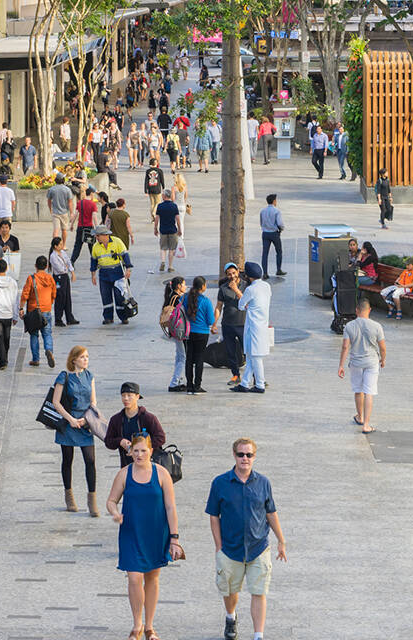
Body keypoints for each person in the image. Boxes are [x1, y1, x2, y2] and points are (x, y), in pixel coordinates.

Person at [206, 438, 288, 640]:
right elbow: (214, 516)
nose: (245, 458)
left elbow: (271, 513)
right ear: (234, 455)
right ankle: (231, 616)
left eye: (249, 455)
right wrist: (219, 546)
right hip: (230, 548)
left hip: (258, 547)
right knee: (230, 591)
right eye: (241, 454)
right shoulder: (220, 483)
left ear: (254, 457)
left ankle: (258, 634)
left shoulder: (263, 483)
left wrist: (281, 540)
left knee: (259, 591)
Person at [106, 431, 180, 640]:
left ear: (151, 451)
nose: (139, 455)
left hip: (156, 532)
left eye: (143, 451)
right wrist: (115, 513)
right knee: (134, 577)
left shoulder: (162, 473)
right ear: (130, 452)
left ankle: (149, 626)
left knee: (152, 577)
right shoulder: (124, 474)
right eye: (135, 451)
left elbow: (171, 507)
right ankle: (137, 625)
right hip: (131, 532)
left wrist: (174, 537)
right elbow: (111, 500)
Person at [51, 345, 99, 515]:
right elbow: (56, 402)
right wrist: (70, 419)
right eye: (82, 357)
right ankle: (69, 496)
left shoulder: (90, 376)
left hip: (85, 422)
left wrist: (86, 419)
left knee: (90, 460)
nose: (85, 359)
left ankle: (92, 500)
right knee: (67, 459)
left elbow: (93, 402)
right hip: (68, 423)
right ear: (74, 360)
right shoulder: (64, 376)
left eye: (87, 356)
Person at [337, 299, 387, 434]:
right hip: (372, 362)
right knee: (369, 392)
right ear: (369, 310)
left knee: (358, 390)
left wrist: (341, 365)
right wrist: (383, 360)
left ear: (356, 311)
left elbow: (345, 346)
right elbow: (382, 347)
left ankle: (360, 416)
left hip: (356, 363)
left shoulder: (349, 326)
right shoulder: (377, 326)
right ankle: (366, 425)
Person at [104, 383, 166, 467]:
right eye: (123, 395)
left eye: (129, 395)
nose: (126, 399)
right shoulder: (116, 419)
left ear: (137, 396)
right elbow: (108, 441)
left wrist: (142, 446)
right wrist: (120, 441)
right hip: (126, 466)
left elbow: (161, 438)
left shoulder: (148, 418)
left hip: (148, 465)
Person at [237, 262, 272, 393]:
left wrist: (247, 305)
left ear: (248, 276)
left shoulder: (250, 289)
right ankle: (245, 383)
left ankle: (260, 385)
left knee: (256, 357)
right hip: (263, 325)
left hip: (253, 327)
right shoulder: (267, 286)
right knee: (252, 356)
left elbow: (241, 305)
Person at [90, 225, 134, 325]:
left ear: (105, 235)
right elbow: (93, 261)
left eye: (98, 236)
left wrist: (128, 269)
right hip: (104, 275)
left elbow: (125, 256)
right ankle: (108, 317)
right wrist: (93, 275)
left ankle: (123, 316)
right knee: (106, 297)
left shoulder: (117, 242)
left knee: (119, 296)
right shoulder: (95, 247)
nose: (96, 238)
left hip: (118, 273)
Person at [213, 263, 247, 386]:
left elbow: (246, 302)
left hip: (242, 323)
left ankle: (255, 375)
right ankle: (235, 375)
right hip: (227, 324)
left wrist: (236, 289)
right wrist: (214, 323)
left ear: (238, 272)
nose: (232, 276)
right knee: (231, 351)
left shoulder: (245, 285)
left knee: (247, 351)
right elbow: (219, 306)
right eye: (229, 274)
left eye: (233, 273)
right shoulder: (223, 288)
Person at [21, 256, 58, 368]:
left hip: (34, 311)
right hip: (46, 310)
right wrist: (49, 303)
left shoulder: (31, 279)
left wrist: (21, 308)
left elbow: (24, 295)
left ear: (35, 266)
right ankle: (49, 350)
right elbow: (54, 294)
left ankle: (36, 359)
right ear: (46, 266)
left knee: (34, 335)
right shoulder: (50, 278)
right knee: (47, 334)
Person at [161, 276, 189, 392]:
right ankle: (174, 382)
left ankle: (178, 380)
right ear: (178, 286)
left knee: (179, 355)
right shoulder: (178, 298)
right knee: (182, 357)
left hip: (174, 330)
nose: (185, 286)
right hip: (179, 331)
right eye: (184, 284)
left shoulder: (171, 296)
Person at [49, 235, 78, 327]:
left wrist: (72, 272)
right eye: (60, 244)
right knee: (60, 298)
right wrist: (67, 268)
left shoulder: (62, 253)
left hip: (65, 277)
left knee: (67, 297)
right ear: (55, 246)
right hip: (59, 278)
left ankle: (69, 317)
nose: (62, 246)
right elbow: (60, 269)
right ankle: (58, 319)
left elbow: (68, 262)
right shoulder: (53, 256)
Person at [153, 189, 182, 273]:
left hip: (163, 230)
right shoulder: (174, 206)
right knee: (172, 249)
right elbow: (177, 219)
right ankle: (170, 266)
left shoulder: (160, 206)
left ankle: (162, 261)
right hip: (172, 230)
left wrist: (155, 228)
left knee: (163, 248)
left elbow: (157, 219)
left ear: (164, 196)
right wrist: (180, 229)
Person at [258, 194, 286, 278]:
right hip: (274, 233)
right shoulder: (276, 211)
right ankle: (278, 269)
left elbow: (261, 222)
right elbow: (280, 223)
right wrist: (281, 228)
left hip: (265, 233)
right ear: (274, 201)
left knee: (265, 253)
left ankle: (265, 273)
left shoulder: (263, 211)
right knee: (279, 251)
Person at [70, 185, 99, 266]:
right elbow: (94, 217)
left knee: (77, 246)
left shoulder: (80, 203)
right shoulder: (93, 204)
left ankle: (72, 261)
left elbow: (75, 215)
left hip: (80, 227)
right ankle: (95, 263)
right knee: (92, 246)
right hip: (90, 228)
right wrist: (97, 229)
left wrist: (72, 224)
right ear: (92, 194)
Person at [47, 172, 74, 243]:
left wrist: (50, 210)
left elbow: (49, 201)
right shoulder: (67, 190)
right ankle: (64, 245)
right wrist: (71, 213)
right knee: (64, 230)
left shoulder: (51, 189)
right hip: (64, 212)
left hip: (55, 212)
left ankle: (54, 245)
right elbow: (70, 202)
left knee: (56, 230)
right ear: (63, 180)